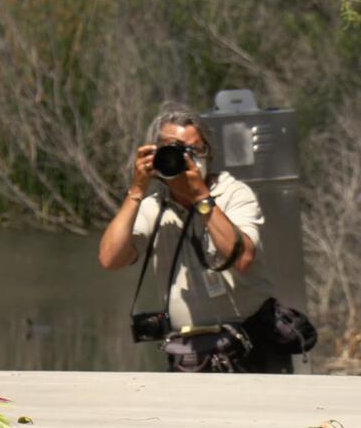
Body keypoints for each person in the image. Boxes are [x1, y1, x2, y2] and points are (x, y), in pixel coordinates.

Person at [98, 102, 290, 373]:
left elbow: (243, 257)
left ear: (208, 153)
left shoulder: (234, 193)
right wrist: (137, 190)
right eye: (173, 149)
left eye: (193, 150)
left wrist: (201, 198)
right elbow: (110, 259)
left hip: (250, 344)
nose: (184, 158)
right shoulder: (153, 206)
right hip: (187, 351)